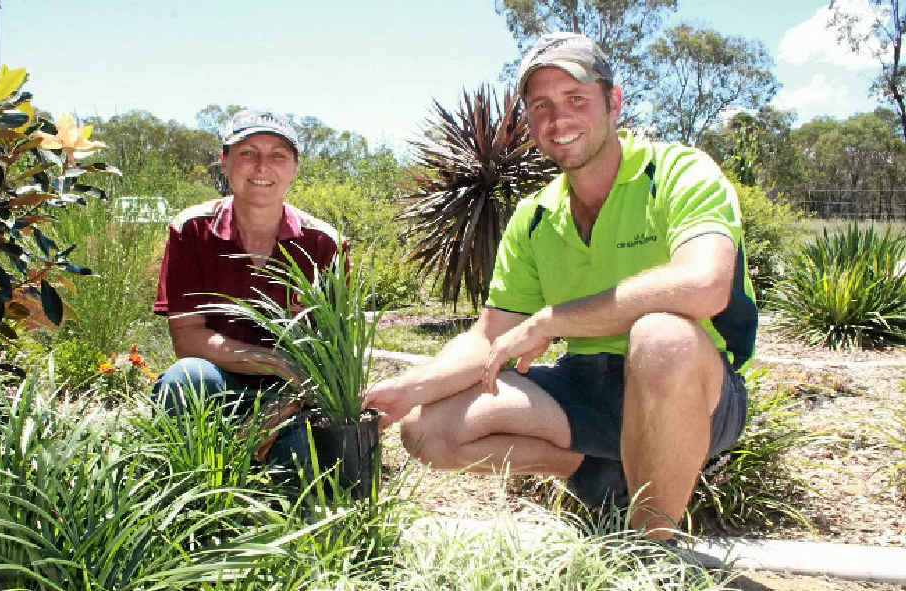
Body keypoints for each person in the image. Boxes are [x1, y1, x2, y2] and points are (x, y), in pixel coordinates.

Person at [364, 32, 757, 540]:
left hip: (693, 386)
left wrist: (553, 320)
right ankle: (590, 471)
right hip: (585, 383)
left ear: (613, 103)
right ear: (529, 122)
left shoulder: (679, 172)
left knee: (661, 338)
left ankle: (648, 550)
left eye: (577, 99)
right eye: (541, 106)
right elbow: (489, 338)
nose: (558, 120)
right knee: (428, 431)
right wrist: (411, 388)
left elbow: (705, 286)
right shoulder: (534, 218)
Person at [153, 109, 346, 419]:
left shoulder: (325, 243)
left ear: (295, 168)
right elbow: (187, 338)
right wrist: (275, 362)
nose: (262, 167)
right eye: (247, 153)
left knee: (305, 459)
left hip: (297, 392)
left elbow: (335, 348)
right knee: (185, 379)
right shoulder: (191, 230)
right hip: (218, 379)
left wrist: (287, 404)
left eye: (278, 155)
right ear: (225, 162)